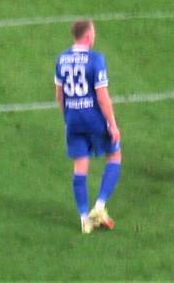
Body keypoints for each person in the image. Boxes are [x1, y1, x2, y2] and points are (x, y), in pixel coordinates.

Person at [54, 20, 121, 233]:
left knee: (80, 167)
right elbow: (102, 96)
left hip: (72, 118)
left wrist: (67, 117)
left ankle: (84, 219)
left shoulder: (61, 59)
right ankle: (99, 207)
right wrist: (112, 124)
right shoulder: (95, 59)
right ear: (88, 36)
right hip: (93, 118)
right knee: (114, 156)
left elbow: (59, 95)